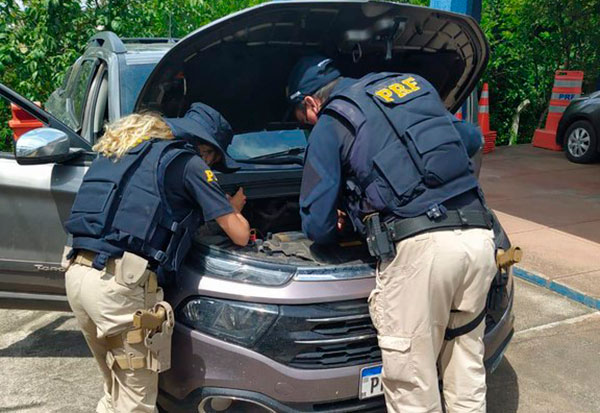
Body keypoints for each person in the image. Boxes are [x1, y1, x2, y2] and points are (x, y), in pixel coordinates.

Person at [288, 56, 497, 413]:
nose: (310, 125)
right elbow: (471, 137)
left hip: (422, 250)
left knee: (412, 383)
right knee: (466, 368)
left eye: (304, 119)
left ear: (310, 102)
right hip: (479, 236)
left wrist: (344, 220)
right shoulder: (410, 88)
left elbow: (316, 224)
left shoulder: (332, 119)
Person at [61, 106, 250, 413]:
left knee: (114, 388)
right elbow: (240, 234)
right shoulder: (188, 162)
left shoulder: (123, 151)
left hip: (77, 274)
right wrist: (234, 207)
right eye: (215, 157)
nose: (213, 163)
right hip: (119, 290)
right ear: (208, 150)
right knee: (136, 401)